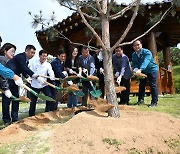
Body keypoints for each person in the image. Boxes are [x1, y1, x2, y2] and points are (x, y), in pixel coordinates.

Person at [3, 44, 37, 124]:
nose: (32, 55)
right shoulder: (21, 57)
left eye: (34, 53)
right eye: (31, 52)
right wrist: (32, 74)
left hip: (15, 80)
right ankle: (6, 120)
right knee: (6, 101)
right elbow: (24, 67)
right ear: (26, 51)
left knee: (16, 99)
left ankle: (15, 119)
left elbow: (22, 69)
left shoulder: (26, 60)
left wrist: (27, 77)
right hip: (7, 79)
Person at [132, 39, 158, 107]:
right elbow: (134, 63)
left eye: (138, 45)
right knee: (141, 85)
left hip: (152, 70)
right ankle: (140, 100)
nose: (136, 46)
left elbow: (146, 61)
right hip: (143, 72)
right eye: (134, 45)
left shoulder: (147, 52)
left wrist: (140, 69)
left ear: (141, 45)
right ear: (133, 47)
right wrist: (136, 69)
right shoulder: (134, 54)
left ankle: (154, 102)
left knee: (153, 85)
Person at [29, 50, 55, 116]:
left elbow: (50, 71)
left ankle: (47, 112)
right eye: (43, 56)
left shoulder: (48, 64)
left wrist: (52, 76)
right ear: (39, 56)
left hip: (44, 85)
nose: (44, 57)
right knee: (33, 101)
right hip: (34, 85)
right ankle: (31, 115)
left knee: (49, 97)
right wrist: (36, 77)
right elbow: (31, 73)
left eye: (45, 56)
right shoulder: (34, 63)